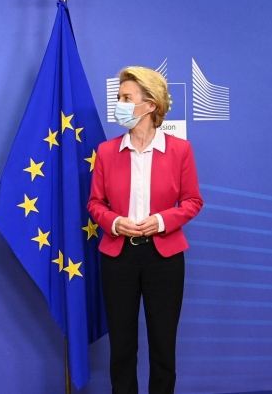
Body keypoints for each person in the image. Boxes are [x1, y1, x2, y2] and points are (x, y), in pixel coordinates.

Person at [87, 66, 203, 394]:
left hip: (163, 259)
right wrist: (114, 222)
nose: (119, 105)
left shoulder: (181, 150)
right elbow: (95, 204)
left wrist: (162, 221)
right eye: (119, 97)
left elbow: (193, 201)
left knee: (163, 347)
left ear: (150, 105)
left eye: (126, 98)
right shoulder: (107, 152)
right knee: (122, 347)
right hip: (118, 258)